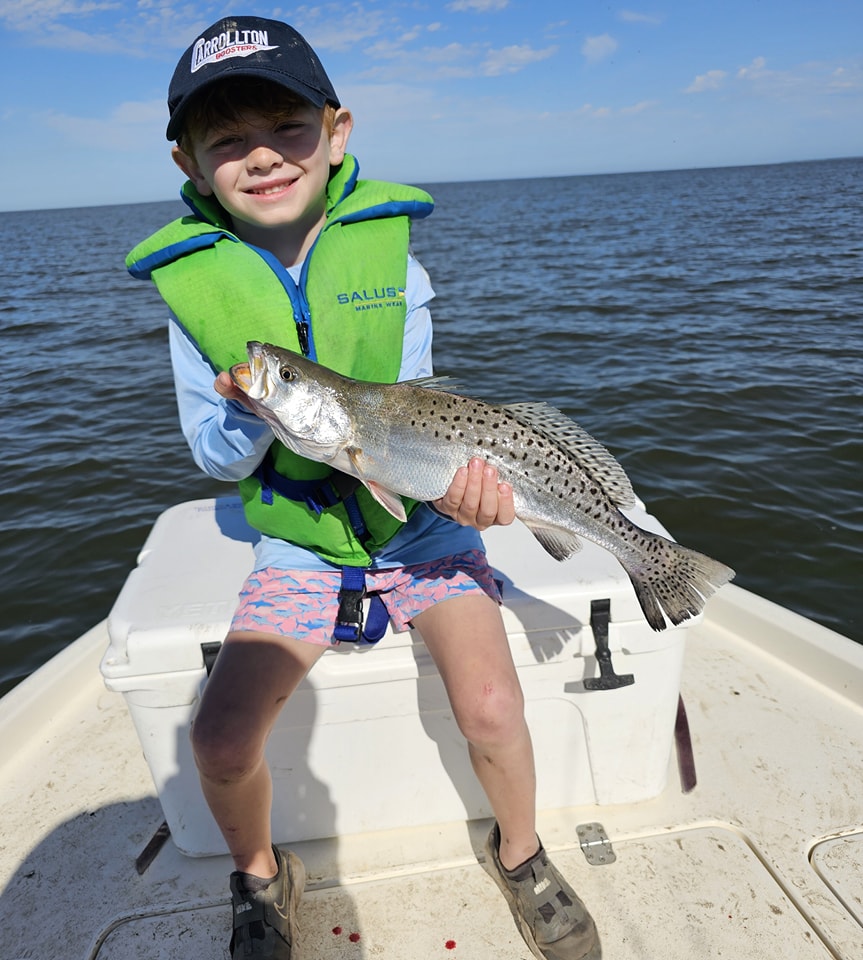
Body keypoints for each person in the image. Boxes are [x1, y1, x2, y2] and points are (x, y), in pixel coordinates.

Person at [127, 16, 601, 960]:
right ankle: (261, 878)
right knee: (219, 739)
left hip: (424, 534)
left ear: (336, 131)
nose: (261, 156)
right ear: (190, 162)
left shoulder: (399, 270)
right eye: (228, 141)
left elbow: (412, 412)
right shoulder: (197, 304)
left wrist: (464, 496)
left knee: (495, 709)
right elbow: (215, 461)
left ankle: (523, 854)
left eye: (286, 127)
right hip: (300, 541)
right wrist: (254, 411)